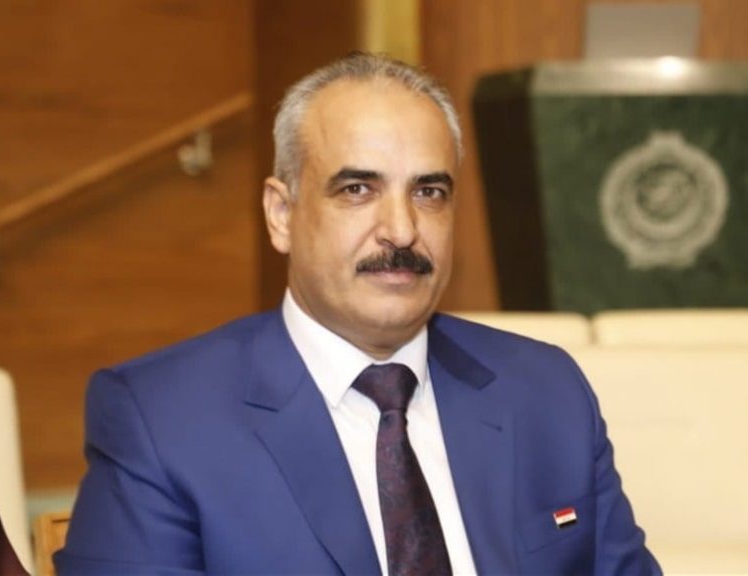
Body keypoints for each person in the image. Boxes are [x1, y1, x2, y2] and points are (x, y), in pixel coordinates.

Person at [56, 53, 660, 575]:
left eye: (428, 192)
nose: (401, 229)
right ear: (281, 215)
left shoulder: (545, 391)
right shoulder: (162, 420)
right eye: (357, 190)